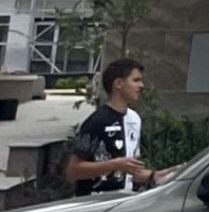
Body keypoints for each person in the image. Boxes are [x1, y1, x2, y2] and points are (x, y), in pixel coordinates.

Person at [65, 58, 154, 194]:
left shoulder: (134, 119)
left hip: (124, 200)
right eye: (136, 80)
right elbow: (73, 171)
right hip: (95, 201)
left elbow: (131, 171)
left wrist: (157, 175)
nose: (141, 85)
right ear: (118, 83)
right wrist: (114, 165)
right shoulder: (98, 121)